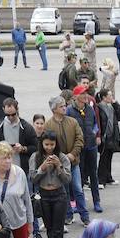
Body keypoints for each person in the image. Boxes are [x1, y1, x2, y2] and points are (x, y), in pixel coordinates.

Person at [44, 95, 88, 230]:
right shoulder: (48, 125)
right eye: (61, 106)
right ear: (54, 109)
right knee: (65, 191)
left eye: (64, 105)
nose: (64, 108)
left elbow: (80, 139)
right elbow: (47, 145)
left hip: (73, 163)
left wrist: (73, 154)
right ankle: (68, 215)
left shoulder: (73, 122)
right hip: (59, 165)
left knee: (78, 189)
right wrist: (60, 159)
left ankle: (84, 216)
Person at [71, 85, 104, 212]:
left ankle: (97, 201)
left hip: (91, 146)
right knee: (79, 176)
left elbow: (96, 123)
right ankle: (80, 204)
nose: (85, 96)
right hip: (79, 148)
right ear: (76, 97)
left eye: (86, 93)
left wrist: (95, 133)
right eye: (82, 94)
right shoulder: (70, 111)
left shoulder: (90, 109)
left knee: (93, 175)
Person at [0, 97, 39, 167]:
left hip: (21, 167)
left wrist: (23, 149)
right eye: (7, 115)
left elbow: (36, 147)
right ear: (3, 110)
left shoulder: (27, 127)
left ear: (17, 109)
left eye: (13, 114)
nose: (11, 117)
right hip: (2, 167)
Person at [96, 89, 120, 186]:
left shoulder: (112, 107)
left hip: (113, 135)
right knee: (104, 158)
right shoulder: (99, 108)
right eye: (110, 95)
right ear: (104, 97)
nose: (112, 97)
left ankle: (108, 177)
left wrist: (116, 104)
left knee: (109, 157)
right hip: (105, 136)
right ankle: (101, 179)